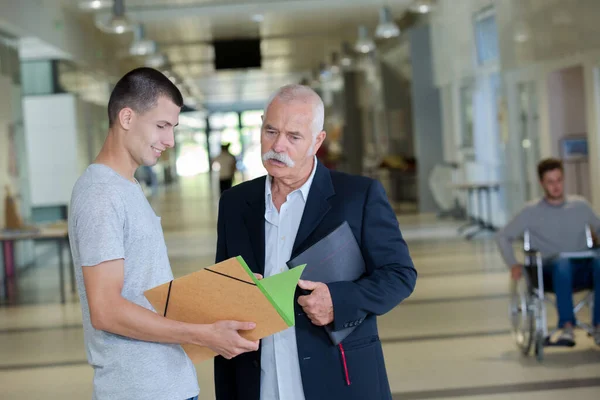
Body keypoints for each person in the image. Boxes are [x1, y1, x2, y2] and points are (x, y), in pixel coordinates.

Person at [213, 84, 417, 400]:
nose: (277, 145)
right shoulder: (235, 203)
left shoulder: (358, 197)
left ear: (317, 141)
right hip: (258, 381)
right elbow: (225, 286)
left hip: (338, 379)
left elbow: (400, 274)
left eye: (294, 137)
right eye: (270, 131)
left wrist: (340, 300)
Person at [68, 67, 259, 400]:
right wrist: (203, 334)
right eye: (161, 126)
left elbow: (143, 288)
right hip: (139, 389)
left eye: (172, 128)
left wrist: (223, 294)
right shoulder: (101, 194)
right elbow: (106, 309)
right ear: (127, 117)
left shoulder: (126, 186)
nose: (169, 141)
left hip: (166, 383)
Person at [495, 158, 600, 346]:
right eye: (550, 182)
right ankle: (567, 326)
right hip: (549, 271)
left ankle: (599, 324)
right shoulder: (530, 211)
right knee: (562, 263)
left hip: (582, 269)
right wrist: (512, 263)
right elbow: (503, 236)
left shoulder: (580, 206)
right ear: (542, 183)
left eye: (559, 180)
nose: (556, 186)